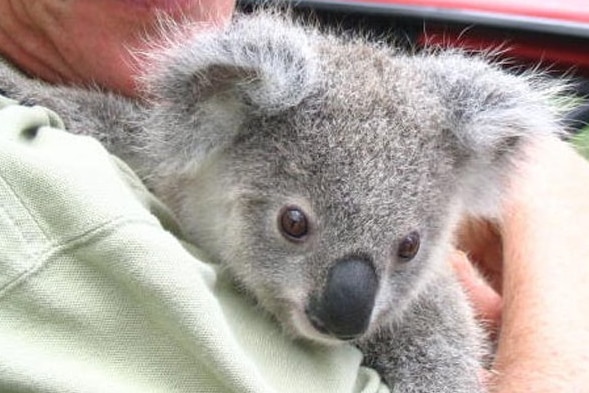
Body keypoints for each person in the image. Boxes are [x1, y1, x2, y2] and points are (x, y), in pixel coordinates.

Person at [0, 1, 587, 392]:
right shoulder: (44, 194)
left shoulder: (426, 331)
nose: (353, 308)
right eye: (296, 226)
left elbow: (117, 127)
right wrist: (560, 211)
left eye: (408, 248)